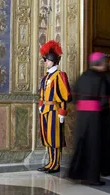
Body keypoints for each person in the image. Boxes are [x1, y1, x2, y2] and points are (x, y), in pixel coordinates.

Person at [67, 52, 109, 185]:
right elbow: (104, 101)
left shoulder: (81, 77)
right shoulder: (100, 78)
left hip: (81, 116)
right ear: (101, 63)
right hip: (94, 117)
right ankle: (92, 178)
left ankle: (76, 174)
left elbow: (73, 97)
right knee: (93, 146)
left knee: (80, 143)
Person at [37, 40, 72, 174]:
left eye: (46, 59)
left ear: (53, 60)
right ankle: (50, 162)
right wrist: (41, 105)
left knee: (55, 138)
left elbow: (64, 96)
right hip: (45, 110)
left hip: (55, 111)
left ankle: (56, 164)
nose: (45, 62)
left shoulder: (60, 76)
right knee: (47, 137)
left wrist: (62, 113)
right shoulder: (45, 77)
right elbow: (41, 95)